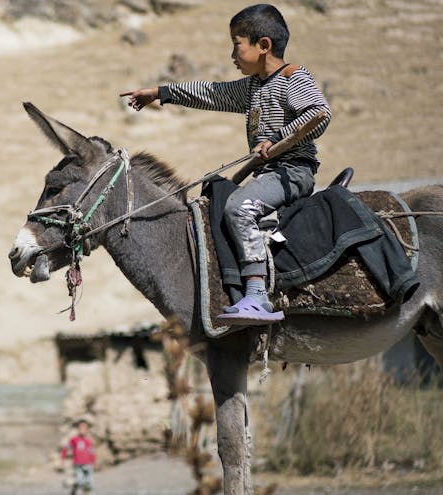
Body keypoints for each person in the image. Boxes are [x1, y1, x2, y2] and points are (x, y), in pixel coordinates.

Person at [120, 3, 331, 325]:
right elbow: (210, 93)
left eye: (236, 45)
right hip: (270, 173)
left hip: (292, 173)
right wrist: (160, 93)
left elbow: (318, 114)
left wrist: (276, 140)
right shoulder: (252, 87)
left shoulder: (293, 77)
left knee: (239, 208)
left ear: (263, 46)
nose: (232, 55)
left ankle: (258, 297)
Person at [60, 419, 96, 495]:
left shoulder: (89, 441)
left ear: (87, 430)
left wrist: (93, 462)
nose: (83, 430)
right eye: (81, 428)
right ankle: (74, 490)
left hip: (88, 464)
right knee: (80, 481)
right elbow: (66, 447)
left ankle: (84, 492)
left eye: (85, 428)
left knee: (88, 483)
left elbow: (91, 452)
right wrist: (63, 457)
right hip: (78, 464)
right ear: (78, 429)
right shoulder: (74, 440)